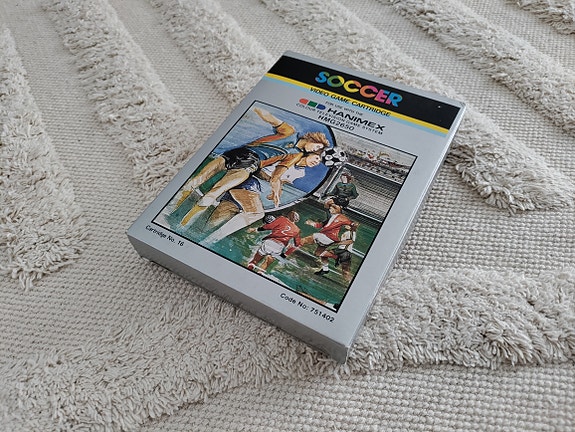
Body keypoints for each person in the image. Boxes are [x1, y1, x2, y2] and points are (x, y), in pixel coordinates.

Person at [174, 107, 330, 225]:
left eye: (317, 150)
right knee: (198, 181)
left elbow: (276, 175)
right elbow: (270, 118)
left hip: (250, 163)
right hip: (239, 153)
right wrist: (256, 109)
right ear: (312, 139)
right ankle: (175, 212)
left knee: (214, 190)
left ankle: (183, 222)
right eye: (316, 147)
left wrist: (276, 192)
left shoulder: (295, 156)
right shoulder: (290, 132)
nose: (314, 150)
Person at [299, 203, 352, 275]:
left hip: (327, 236)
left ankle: (336, 256)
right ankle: (325, 269)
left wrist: (350, 226)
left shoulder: (340, 217)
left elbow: (327, 226)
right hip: (328, 238)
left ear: (337, 209)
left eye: (332, 207)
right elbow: (322, 225)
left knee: (305, 240)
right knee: (319, 253)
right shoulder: (331, 217)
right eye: (330, 207)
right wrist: (313, 223)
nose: (330, 209)